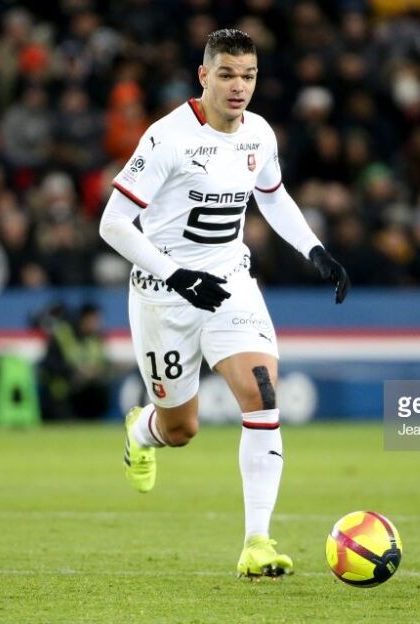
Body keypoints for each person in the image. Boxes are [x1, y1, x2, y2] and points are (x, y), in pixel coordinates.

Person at [98, 29, 349, 578]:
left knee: (262, 394)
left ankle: (257, 543)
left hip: (231, 283)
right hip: (165, 295)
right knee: (181, 429)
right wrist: (177, 275)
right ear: (204, 75)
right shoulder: (168, 138)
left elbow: (273, 197)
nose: (239, 87)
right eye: (228, 74)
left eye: (249, 76)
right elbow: (112, 223)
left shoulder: (259, 133)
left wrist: (315, 250)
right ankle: (141, 431)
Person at [39, 303, 112, 421]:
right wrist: (75, 371)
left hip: (87, 387)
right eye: (94, 319)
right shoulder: (63, 334)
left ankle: (92, 420)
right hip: (63, 387)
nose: (97, 324)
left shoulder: (96, 338)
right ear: (84, 318)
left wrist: (95, 371)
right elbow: (49, 364)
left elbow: (104, 363)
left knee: (102, 389)